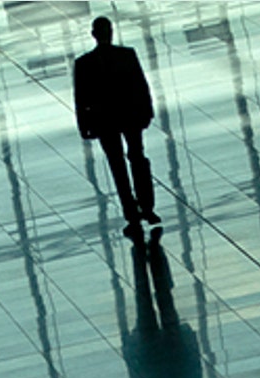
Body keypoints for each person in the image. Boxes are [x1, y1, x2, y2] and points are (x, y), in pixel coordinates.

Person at [74, 16, 159, 240]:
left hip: (105, 122)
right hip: (129, 116)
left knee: (118, 166)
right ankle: (146, 206)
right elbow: (141, 85)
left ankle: (131, 212)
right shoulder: (126, 55)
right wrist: (147, 111)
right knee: (137, 158)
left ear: (94, 35)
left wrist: (84, 125)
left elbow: (81, 98)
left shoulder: (84, 64)